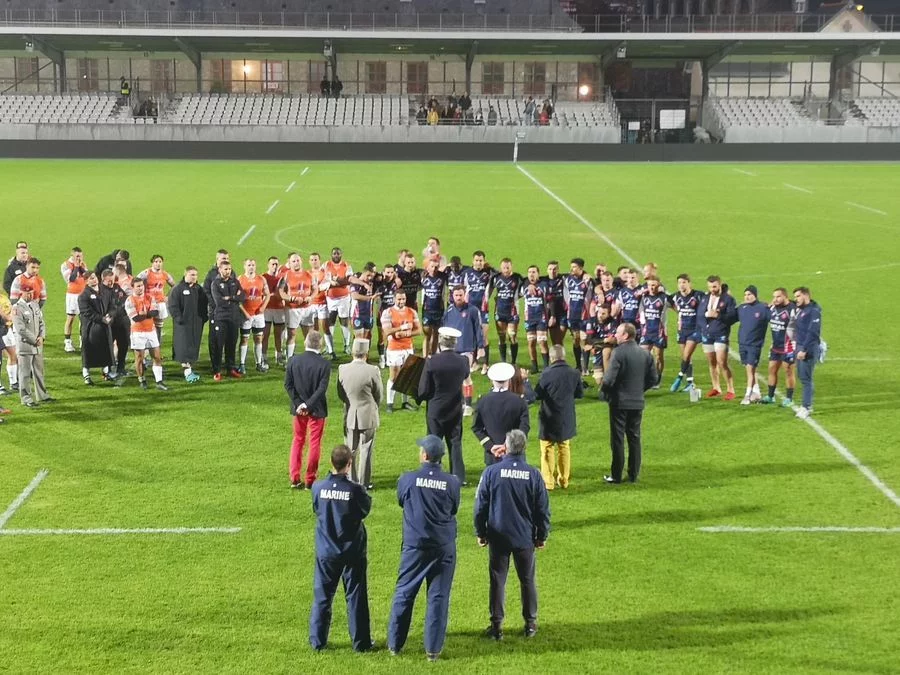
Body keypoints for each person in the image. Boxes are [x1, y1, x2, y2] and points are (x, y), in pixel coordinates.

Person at [387, 436, 461, 662]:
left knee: (405, 593)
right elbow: (454, 508)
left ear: (425, 455)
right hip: (443, 546)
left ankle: (395, 644)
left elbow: (401, 500)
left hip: (415, 546)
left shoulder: (407, 479)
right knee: (438, 597)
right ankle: (433, 650)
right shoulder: (452, 482)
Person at [474, 429, 550, 641]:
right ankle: (530, 624)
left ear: (506, 447)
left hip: (498, 537)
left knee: (497, 580)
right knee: (527, 580)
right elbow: (542, 509)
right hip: (524, 537)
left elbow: (480, 507)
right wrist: (542, 536)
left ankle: (497, 627)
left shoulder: (491, 472)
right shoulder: (534, 474)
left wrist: (481, 532)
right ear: (524, 448)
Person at [308, 445, 373, 653]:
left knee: (323, 597)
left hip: (326, 551)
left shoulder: (318, 487)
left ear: (330, 462)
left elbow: (317, 509)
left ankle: (317, 641)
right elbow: (365, 510)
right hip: (352, 551)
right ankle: (361, 643)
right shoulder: (356, 490)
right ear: (349, 464)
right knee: (356, 596)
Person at [601, 323, 657, 484]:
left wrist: (605, 392)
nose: (615, 335)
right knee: (634, 437)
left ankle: (616, 475)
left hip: (619, 402)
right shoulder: (645, 354)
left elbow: (609, 379)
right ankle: (633, 475)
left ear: (626, 335)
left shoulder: (618, 352)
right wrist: (639, 389)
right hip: (637, 401)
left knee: (617, 439)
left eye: (618, 333)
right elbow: (653, 379)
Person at [418, 327, 471, 484]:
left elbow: (424, 389)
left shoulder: (432, 362)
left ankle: (434, 474)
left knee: (434, 443)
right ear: (455, 343)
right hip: (455, 408)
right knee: (455, 442)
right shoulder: (463, 361)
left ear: (440, 342)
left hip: (436, 409)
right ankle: (458, 476)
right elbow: (465, 377)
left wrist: (420, 397)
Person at [284, 331, 331, 489]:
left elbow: (288, 385)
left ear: (305, 342)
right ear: (320, 345)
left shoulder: (293, 360)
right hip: (317, 409)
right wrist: (308, 405)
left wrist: (299, 404)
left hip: (298, 410)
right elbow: (321, 389)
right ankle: (310, 480)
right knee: (314, 442)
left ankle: (294, 478)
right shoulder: (324, 364)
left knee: (298, 440)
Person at [535, 345, 583, 490]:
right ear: (564, 356)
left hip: (549, 416)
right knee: (564, 447)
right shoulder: (574, 373)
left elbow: (537, 394)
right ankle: (563, 480)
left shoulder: (546, 374)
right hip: (566, 417)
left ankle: (548, 482)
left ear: (551, 358)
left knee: (547, 448)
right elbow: (579, 394)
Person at [337, 339, 383, 490]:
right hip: (368, 413)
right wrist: (373, 406)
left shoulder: (343, 369)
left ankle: (351, 479)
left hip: (350, 412)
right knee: (366, 449)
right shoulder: (373, 370)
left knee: (351, 448)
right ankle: (364, 482)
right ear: (366, 353)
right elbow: (379, 394)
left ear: (352, 352)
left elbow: (341, 393)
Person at [472, 362, 530, 466]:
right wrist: (508, 446)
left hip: (493, 454)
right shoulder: (519, 401)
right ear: (509, 379)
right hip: (515, 453)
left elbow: (477, 428)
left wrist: (490, 446)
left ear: (491, 380)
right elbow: (524, 427)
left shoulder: (482, 401)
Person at [442, 285, 484, 415]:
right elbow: (444, 331)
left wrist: (481, 347)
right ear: (452, 296)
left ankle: (468, 405)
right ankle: (460, 403)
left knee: (465, 376)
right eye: (456, 295)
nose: (459, 298)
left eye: (461, 295)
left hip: (467, 349)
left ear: (465, 295)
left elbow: (479, 329)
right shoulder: (448, 311)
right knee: (454, 378)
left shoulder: (473, 310)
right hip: (452, 350)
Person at [697, 275, 738, 400]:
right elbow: (699, 315)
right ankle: (716, 387)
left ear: (720, 285)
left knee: (722, 362)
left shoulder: (728, 299)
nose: (712, 289)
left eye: (714, 287)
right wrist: (705, 318)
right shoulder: (705, 298)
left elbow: (732, 317)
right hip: (707, 334)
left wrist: (718, 316)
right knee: (711, 362)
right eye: (710, 287)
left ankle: (730, 389)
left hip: (721, 334)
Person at [382, 290, 421, 413]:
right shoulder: (388, 312)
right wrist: (401, 328)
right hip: (394, 348)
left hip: (408, 347)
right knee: (394, 376)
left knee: (407, 375)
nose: (401, 301)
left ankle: (405, 402)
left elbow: (419, 330)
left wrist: (408, 333)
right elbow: (387, 331)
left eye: (403, 299)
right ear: (394, 299)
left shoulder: (412, 312)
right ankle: (390, 403)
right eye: (399, 299)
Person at [124, 278, 168, 391]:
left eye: (142, 285)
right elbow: (136, 318)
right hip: (137, 332)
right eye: (138, 286)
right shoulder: (129, 300)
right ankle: (142, 380)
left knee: (157, 356)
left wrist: (144, 314)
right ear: (133, 288)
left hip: (151, 331)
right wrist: (148, 314)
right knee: (139, 358)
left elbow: (155, 312)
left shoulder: (150, 297)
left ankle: (159, 381)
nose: (141, 288)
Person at [13, 285, 52, 408]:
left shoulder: (35, 305)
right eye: (27, 293)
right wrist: (35, 340)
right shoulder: (17, 308)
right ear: (21, 293)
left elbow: (41, 323)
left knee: (39, 372)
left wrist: (42, 337)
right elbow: (20, 329)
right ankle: (26, 398)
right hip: (25, 346)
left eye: (31, 293)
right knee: (25, 374)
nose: (30, 295)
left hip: (37, 346)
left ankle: (42, 395)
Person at [168, 266, 207, 384]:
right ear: (185, 275)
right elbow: (173, 306)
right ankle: (187, 373)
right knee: (183, 347)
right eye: (192, 275)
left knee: (193, 347)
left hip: (196, 324)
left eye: (196, 275)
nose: (194, 277)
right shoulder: (178, 289)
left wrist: (204, 318)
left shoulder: (198, 289)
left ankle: (190, 370)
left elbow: (204, 304)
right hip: (183, 325)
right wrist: (179, 319)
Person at [210, 260, 245, 381]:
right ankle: (217, 370)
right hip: (221, 318)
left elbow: (242, 297)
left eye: (229, 269)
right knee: (219, 345)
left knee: (232, 344)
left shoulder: (235, 281)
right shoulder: (215, 283)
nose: (228, 271)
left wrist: (229, 298)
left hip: (234, 317)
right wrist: (234, 299)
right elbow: (219, 301)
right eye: (225, 269)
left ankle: (231, 369)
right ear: (220, 270)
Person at [790, 286, 822, 420]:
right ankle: (806, 405)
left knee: (806, 379)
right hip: (800, 346)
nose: (796, 299)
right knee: (802, 377)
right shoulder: (801, 308)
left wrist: (804, 349)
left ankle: (806, 407)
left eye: (798, 296)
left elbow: (813, 332)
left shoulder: (814, 311)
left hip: (807, 348)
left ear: (806, 295)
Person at [668, 273, 704, 393]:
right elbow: (668, 302)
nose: (681, 285)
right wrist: (678, 314)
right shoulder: (675, 297)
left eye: (684, 282)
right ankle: (690, 383)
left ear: (689, 283)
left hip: (695, 330)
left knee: (687, 355)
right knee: (685, 356)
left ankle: (679, 377)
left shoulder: (698, 295)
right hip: (682, 330)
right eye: (679, 283)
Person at [77, 271, 114, 385]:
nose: (94, 280)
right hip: (90, 328)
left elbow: (112, 305)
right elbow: (86, 312)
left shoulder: (105, 292)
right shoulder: (83, 296)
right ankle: (86, 375)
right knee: (88, 351)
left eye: (94, 277)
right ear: (86, 281)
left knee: (105, 349)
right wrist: (101, 319)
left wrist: (110, 315)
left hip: (104, 326)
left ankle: (106, 372)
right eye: (91, 278)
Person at [762, 287, 796, 407]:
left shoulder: (792, 309)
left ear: (785, 297)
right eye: (774, 297)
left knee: (788, 371)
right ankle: (770, 396)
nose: (775, 299)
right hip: (775, 346)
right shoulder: (772, 308)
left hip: (788, 347)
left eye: (778, 297)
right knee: (772, 369)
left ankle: (789, 399)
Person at [737, 285, 769, 405]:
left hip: (754, 344)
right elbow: (730, 317)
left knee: (750, 370)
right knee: (749, 369)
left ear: (755, 295)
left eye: (749, 294)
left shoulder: (763, 308)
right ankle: (756, 392)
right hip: (743, 343)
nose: (747, 297)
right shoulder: (742, 308)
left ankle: (747, 395)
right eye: (745, 295)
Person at [238, 258, 270, 374]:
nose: (251, 267)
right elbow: (237, 300)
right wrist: (245, 313)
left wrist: (263, 307)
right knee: (244, 338)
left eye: (253, 265)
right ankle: (242, 364)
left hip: (258, 315)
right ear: (244, 266)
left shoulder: (261, 279)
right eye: (249, 265)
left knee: (258, 338)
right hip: (246, 315)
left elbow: (267, 295)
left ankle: (258, 363)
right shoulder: (240, 279)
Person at [488, 258, 523, 365]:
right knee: (501, 336)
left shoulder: (517, 277)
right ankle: (503, 361)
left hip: (513, 312)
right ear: (501, 268)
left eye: (508, 267)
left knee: (512, 336)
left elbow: (525, 289)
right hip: (500, 311)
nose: (506, 270)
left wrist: (517, 297)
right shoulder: (496, 278)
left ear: (511, 267)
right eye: (504, 268)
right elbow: (488, 291)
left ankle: (513, 362)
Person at [464, 251, 494, 375]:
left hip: (483, 309)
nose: (478, 263)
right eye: (476, 260)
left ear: (484, 261)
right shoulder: (467, 273)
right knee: (472, 336)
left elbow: (501, 274)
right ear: (473, 261)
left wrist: (491, 267)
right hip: (471, 309)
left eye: (481, 260)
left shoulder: (489, 273)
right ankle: (475, 362)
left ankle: (486, 364)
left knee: (483, 336)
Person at [279, 252, 314, 359]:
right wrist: (292, 299)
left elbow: (315, 289)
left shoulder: (308, 274)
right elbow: (281, 292)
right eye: (293, 261)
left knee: (308, 334)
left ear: (301, 261)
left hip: (307, 308)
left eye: (298, 260)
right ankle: (289, 359)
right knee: (292, 334)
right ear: (289, 263)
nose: (296, 263)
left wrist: (311, 297)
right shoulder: (286, 275)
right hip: (293, 309)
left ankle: (309, 358)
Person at [137, 255, 175, 343]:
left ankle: (157, 344)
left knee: (159, 325)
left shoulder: (165, 274)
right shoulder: (146, 273)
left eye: (160, 262)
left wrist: (168, 296)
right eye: (156, 261)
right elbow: (135, 282)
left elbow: (174, 286)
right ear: (152, 263)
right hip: (148, 303)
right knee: (147, 323)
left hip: (160, 303)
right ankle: (146, 344)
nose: (158, 264)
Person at [564, 258, 593, 375]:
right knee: (575, 340)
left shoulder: (588, 281)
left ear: (580, 268)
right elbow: (566, 296)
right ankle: (578, 366)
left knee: (584, 339)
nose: (572, 269)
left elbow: (592, 294)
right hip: (572, 315)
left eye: (574, 267)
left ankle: (585, 367)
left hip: (584, 315)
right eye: (571, 266)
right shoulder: (568, 279)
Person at [324, 247, 354, 359]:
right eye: (334, 253)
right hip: (330, 299)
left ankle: (347, 345)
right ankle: (328, 346)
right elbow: (323, 279)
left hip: (343, 298)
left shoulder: (347, 266)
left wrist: (336, 281)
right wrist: (336, 282)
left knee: (344, 321)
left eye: (338, 253)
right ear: (331, 255)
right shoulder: (326, 265)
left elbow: (348, 280)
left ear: (341, 254)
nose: (336, 255)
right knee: (330, 322)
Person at [638, 276, 668, 388]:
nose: (651, 287)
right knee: (642, 356)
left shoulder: (664, 298)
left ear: (659, 285)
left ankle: (657, 378)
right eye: (650, 285)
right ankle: (645, 378)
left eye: (654, 285)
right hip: (646, 331)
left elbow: (676, 306)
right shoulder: (643, 297)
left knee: (658, 357)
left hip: (659, 332)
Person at [204, 250, 229, 374]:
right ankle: (215, 365)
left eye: (227, 258)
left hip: (228, 312)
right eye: (223, 258)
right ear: (217, 259)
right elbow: (206, 292)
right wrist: (216, 304)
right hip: (215, 312)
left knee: (229, 338)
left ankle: (229, 365)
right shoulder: (211, 274)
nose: (226, 260)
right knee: (215, 339)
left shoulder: (231, 272)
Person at [521, 265, 549, 374]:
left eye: (533, 272)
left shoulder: (543, 285)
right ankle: (534, 367)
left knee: (542, 342)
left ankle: (546, 367)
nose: (531, 274)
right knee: (531, 342)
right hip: (529, 319)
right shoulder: (524, 286)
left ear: (538, 274)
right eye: (529, 272)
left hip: (541, 318)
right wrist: (528, 284)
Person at [60, 247, 88, 352]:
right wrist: (76, 267)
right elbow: (71, 279)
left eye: (81, 256)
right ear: (72, 255)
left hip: (83, 294)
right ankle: (67, 342)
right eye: (77, 256)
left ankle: (82, 340)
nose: (79, 258)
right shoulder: (65, 265)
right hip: (72, 295)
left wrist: (80, 266)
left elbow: (86, 276)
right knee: (70, 318)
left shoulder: (83, 264)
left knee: (83, 318)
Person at [584, 303, 618, 387]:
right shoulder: (591, 322)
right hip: (597, 350)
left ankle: (608, 380)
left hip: (608, 350)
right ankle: (606, 386)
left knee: (606, 351)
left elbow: (612, 341)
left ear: (609, 314)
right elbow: (589, 340)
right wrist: (604, 340)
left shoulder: (613, 322)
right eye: (599, 312)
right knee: (598, 381)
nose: (600, 315)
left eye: (603, 314)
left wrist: (593, 345)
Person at [420, 259, 448, 357]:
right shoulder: (423, 276)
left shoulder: (443, 276)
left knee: (436, 333)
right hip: (427, 309)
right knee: (427, 334)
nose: (434, 269)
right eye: (432, 266)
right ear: (427, 267)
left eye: (436, 267)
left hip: (439, 309)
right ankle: (425, 357)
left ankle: (433, 355)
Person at [262, 256, 286, 368]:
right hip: (267, 309)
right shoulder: (263, 277)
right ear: (268, 265)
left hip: (279, 309)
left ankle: (279, 356)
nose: (275, 266)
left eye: (276, 264)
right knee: (265, 334)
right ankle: (263, 357)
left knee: (278, 334)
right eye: (272, 264)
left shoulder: (282, 278)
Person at [349, 263, 378, 344]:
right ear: (364, 272)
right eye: (368, 275)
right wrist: (370, 298)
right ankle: (355, 353)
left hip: (369, 315)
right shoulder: (356, 281)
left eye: (372, 275)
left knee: (366, 340)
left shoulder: (372, 282)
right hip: (357, 315)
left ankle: (365, 353)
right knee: (359, 340)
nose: (369, 278)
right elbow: (354, 296)